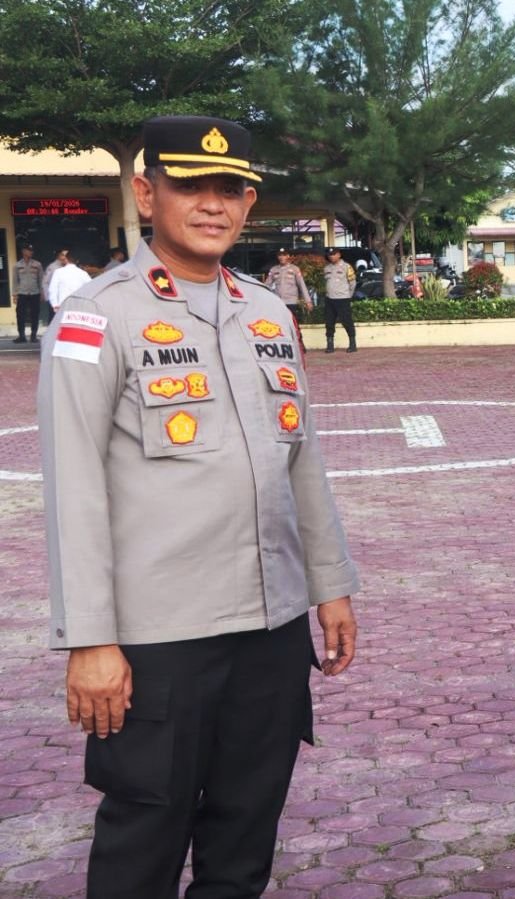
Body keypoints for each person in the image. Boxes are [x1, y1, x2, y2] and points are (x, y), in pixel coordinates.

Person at [37, 115, 359, 898]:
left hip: (271, 630)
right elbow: (73, 486)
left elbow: (301, 461)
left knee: (245, 842)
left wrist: (330, 585)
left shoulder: (268, 312)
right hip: (159, 640)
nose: (213, 204)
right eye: (190, 186)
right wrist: (90, 639)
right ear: (147, 194)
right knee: (143, 842)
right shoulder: (96, 316)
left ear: (248, 202)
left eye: (230, 189)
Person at [322, 248, 357, 353]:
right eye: (330, 254)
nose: (331, 256)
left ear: (339, 255)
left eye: (334, 254)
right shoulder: (327, 268)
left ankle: (352, 344)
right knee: (329, 322)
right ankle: (330, 345)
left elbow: (352, 283)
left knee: (347, 321)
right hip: (329, 299)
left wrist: (348, 295)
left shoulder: (346, 267)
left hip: (343, 299)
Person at [267, 248, 313, 323]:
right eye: (280, 255)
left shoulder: (295, 269)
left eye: (284, 255)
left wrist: (308, 301)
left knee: (292, 323)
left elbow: (302, 285)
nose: (282, 257)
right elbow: (267, 285)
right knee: (279, 323)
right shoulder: (273, 270)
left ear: (288, 256)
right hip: (278, 302)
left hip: (291, 301)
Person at [11, 245, 44, 343]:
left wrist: (42, 293)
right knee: (20, 315)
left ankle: (33, 336)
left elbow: (41, 280)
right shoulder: (17, 265)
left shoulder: (37, 264)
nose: (31, 252)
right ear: (23, 251)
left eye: (31, 250)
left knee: (35, 315)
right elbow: (15, 281)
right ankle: (22, 336)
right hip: (22, 293)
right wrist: (15, 295)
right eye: (29, 250)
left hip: (35, 293)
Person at [45, 248, 92, 316]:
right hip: (79, 307)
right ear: (77, 261)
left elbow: (52, 289)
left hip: (62, 307)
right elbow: (90, 289)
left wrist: (55, 305)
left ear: (66, 259)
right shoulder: (83, 273)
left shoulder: (58, 272)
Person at [40, 247, 69, 328]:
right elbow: (45, 282)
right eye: (63, 255)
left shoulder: (68, 267)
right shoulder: (52, 267)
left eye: (66, 255)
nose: (64, 257)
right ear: (58, 256)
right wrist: (48, 297)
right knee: (53, 319)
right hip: (55, 298)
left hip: (66, 297)